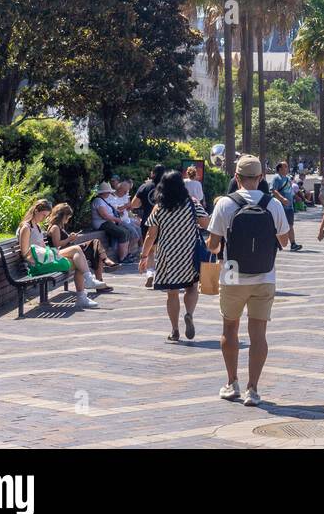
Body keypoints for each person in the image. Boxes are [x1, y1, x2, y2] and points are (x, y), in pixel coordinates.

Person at [207, 155, 290, 406]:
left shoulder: (224, 204)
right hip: (265, 275)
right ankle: (253, 390)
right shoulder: (273, 204)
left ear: (236, 177)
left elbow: (213, 246)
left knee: (230, 329)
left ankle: (232, 383)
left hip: (232, 272)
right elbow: (284, 241)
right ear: (260, 178)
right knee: (258, 334)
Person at [141, 170, 210, 343]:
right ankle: (189, 314)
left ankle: (175, 330)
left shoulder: (159, 207)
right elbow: (205, 223)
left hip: (167, 255)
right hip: (189, 253)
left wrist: (143, 256)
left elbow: (151, 235)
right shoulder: (192, 203)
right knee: (192, 287)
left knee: (172, 293)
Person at [17, 200, 103, 308]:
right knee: (78, 260)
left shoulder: (37, 226)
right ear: (36, 211)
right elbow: (25, 254)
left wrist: (50, 254)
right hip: (37, 264)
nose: (44, 218)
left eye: (46, 216)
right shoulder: (26, 227)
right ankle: (84, 292)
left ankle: (87, 285)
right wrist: (46, 256)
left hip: (44, 258)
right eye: (43, 215)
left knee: (77, 256)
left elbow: (43, 248)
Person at [45, 203, 114, 290]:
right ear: (63, 216)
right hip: (64, 253)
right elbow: (56, 244)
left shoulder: (59, 227)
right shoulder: (55, 227)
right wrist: (69, 239)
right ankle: (105, 263)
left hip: (68, 250)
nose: (69, 219)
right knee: (95, 246)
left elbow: (63, 241)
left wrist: (70, 238)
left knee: (96, 249)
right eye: (68, 217)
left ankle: (100, 277)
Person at [90, 182, 134, 263]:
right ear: (104, 192)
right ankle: (122, 258)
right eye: (108, 191)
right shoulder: (98, 201)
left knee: (127, 232)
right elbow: (104, 216)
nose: (110, 193)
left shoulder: (102, 200)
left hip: (108, 222)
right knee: (123, 233)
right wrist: (116, 219)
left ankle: (125, 255)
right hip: (102, 223)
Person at [270, 161, 302, 252]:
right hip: (280, 206)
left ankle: (293, 244)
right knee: (277, 225)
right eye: (285, 167)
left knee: (290, 225)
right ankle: (275, 243)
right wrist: (282, 199)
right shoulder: (276, 178)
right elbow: (273, 190)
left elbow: (290, 191)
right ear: (280, 168)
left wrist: (297, 197)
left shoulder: (288, 179)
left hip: (289, 207)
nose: (287, 168)